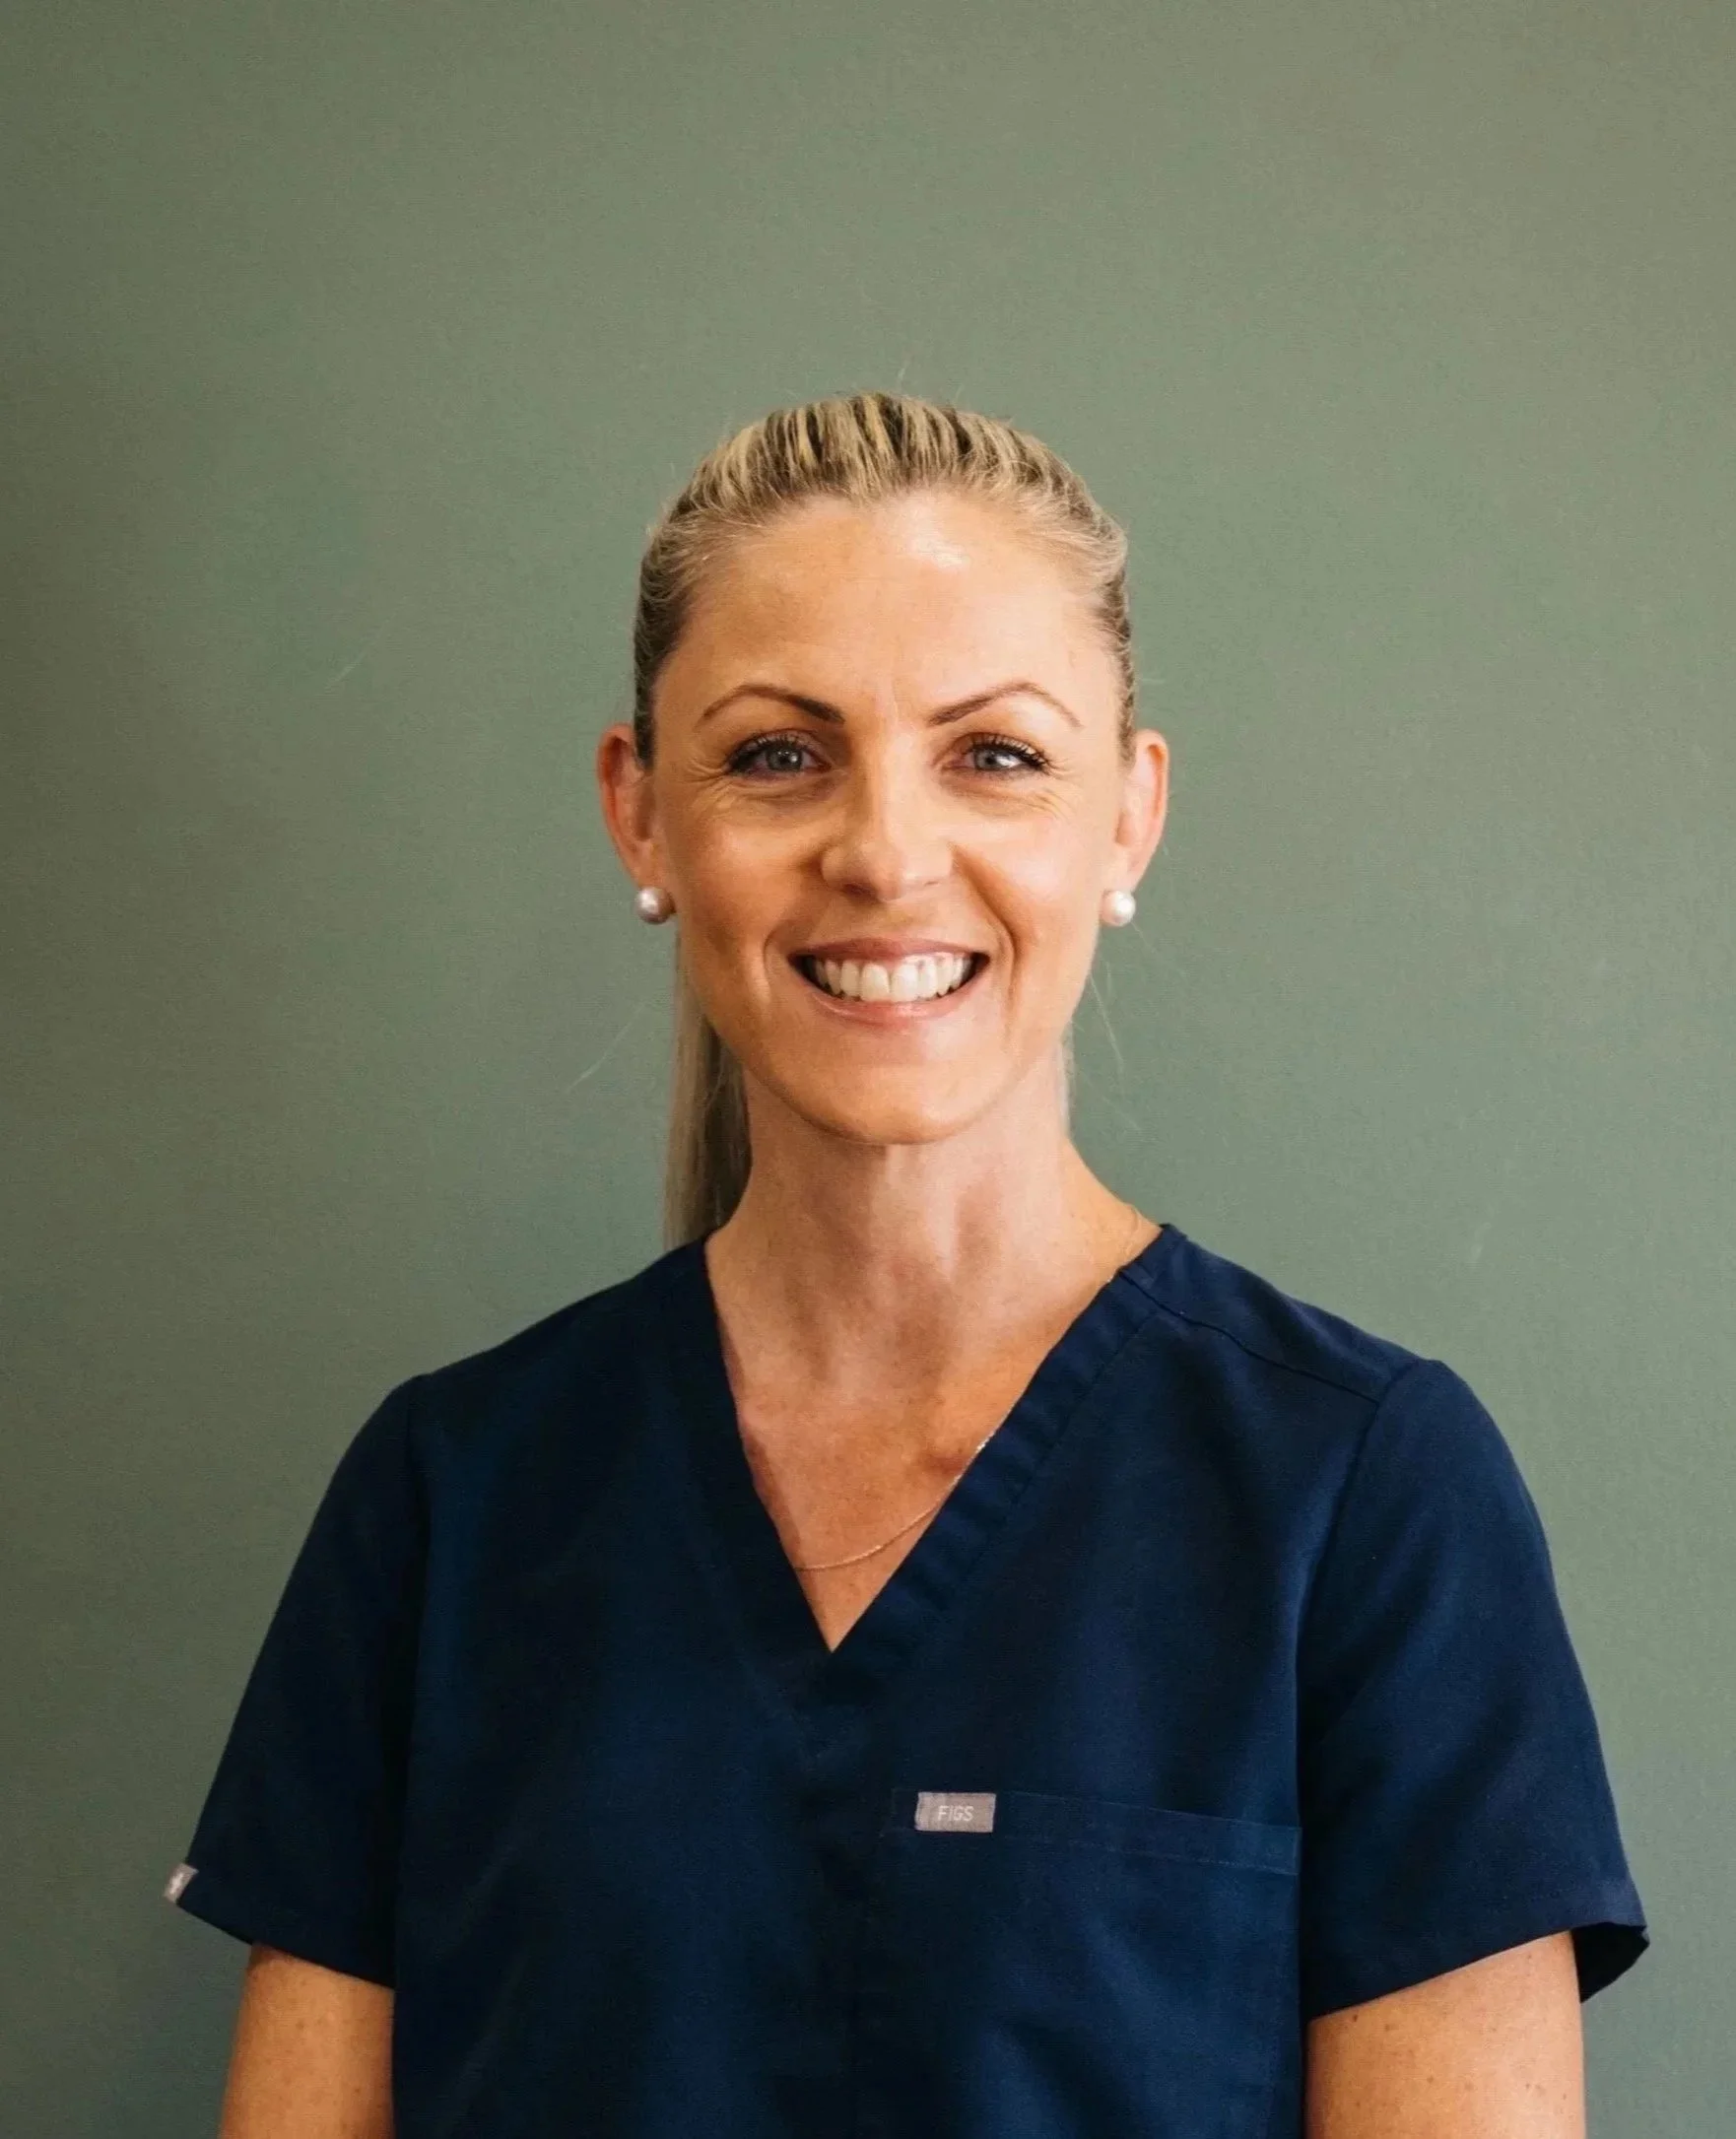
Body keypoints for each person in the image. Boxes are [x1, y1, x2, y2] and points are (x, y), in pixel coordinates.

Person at [167, 391, 1648, 2137]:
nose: (882, 851)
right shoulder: (447, 1498)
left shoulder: (1363, 1490)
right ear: (642, 815)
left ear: (1125, 820)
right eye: (777, 754)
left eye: (995, 754)